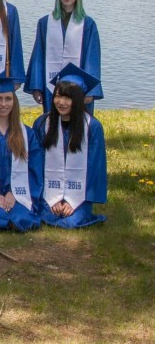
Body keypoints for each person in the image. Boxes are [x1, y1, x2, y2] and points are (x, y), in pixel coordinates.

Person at [32, 64, 107, 228]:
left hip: (80, 195)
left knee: (70, 221)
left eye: (68, 98)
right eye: (58, 96)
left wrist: (74, 201)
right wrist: (50, 197)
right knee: (47, 215)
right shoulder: (42, 124)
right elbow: (36, 163)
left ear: (78, 100)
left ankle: (79, 208)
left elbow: (96, 168)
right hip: (47, 192)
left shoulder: (92, 127)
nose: (61, 102)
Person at [26, 0, 103, 113]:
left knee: (78, 124)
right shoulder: (45, 23)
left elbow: (92, 59)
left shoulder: (88, 24)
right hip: (51, 86)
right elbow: (38, 56)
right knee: (52, 123)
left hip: (79, 87)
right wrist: (37, 86)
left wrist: (91, 90)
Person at [0, 77, 42, 231]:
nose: (3, 104)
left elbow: (34, 171)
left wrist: (13, 193)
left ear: (14, 101)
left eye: (8, 99)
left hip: (16, 194)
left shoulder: (27, 134)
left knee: (20, 215)